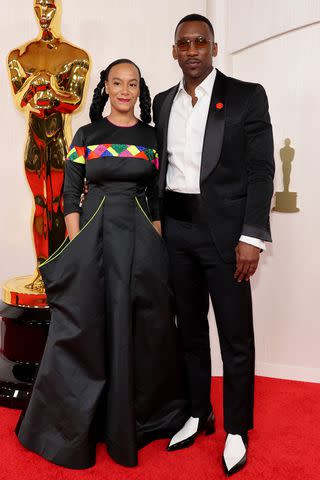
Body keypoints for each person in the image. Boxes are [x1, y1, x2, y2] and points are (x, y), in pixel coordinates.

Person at [16, 59, 187, 469]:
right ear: (106, 88)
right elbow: (70, 192)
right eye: (117, 83)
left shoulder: (151, 137)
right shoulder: (87, 135)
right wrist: (77, 244)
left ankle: (138, 421)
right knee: (85, 326)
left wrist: (157, 240)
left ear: (139, 89)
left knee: (144, 326)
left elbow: (159, 196)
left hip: (142, 241)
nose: (124, 91)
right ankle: (78, 425)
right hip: (93, 236)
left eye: (132, 84)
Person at [153, 14, 274, 476]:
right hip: (177, 236)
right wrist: (160, 223)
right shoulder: (163, 103)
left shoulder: (246, 96)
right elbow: (160, 171)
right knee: (189, 332)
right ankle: (197, 411)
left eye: (200, 41)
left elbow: (262, 171)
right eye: (183, 43)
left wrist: (251, 236)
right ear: (174, 51)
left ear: (214, 48)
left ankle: (237, 428)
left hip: (226, 237)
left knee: (235, 337)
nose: (192, 50)